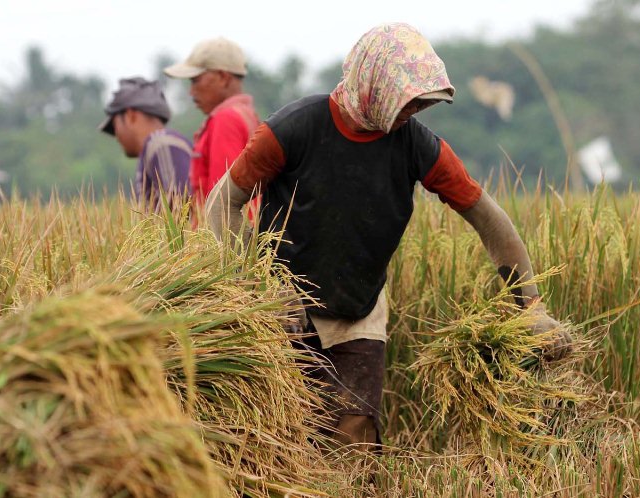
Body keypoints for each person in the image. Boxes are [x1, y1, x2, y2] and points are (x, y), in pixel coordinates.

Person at [204, 23, 574, 448]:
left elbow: (487, 218)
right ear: (372, 85)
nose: (412, 113)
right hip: (282, 307)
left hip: (358, 306)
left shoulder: (418, 146)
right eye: (407, 102)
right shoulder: (292, 130)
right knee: (280, 435)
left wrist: (531, 307)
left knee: (354, 436)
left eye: (419, 104)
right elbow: (222, 203)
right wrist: (263, 288)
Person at [164, 37, 260, 214]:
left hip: (221, 239)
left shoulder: (226, 120)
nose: (191, 92)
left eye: (195, 81)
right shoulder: (247, 115)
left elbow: (223, 204)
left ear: (223, 77)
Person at [99, 77, 192, 211]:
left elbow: (180, 211)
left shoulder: (161, 143)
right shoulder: (154, 148)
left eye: (114, 126)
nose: (116, 136)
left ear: (131, 115)